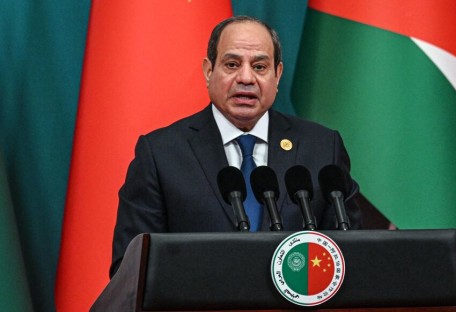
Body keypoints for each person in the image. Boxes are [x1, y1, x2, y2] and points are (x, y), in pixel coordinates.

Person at [110, 16, 362, 277]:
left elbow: (355, 257)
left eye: (260, 67)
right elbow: (129, 271)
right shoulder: (161, 154)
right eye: (231, 64)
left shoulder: (322, 147)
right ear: (209, 71)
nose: (246, 78)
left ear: (277, 75)